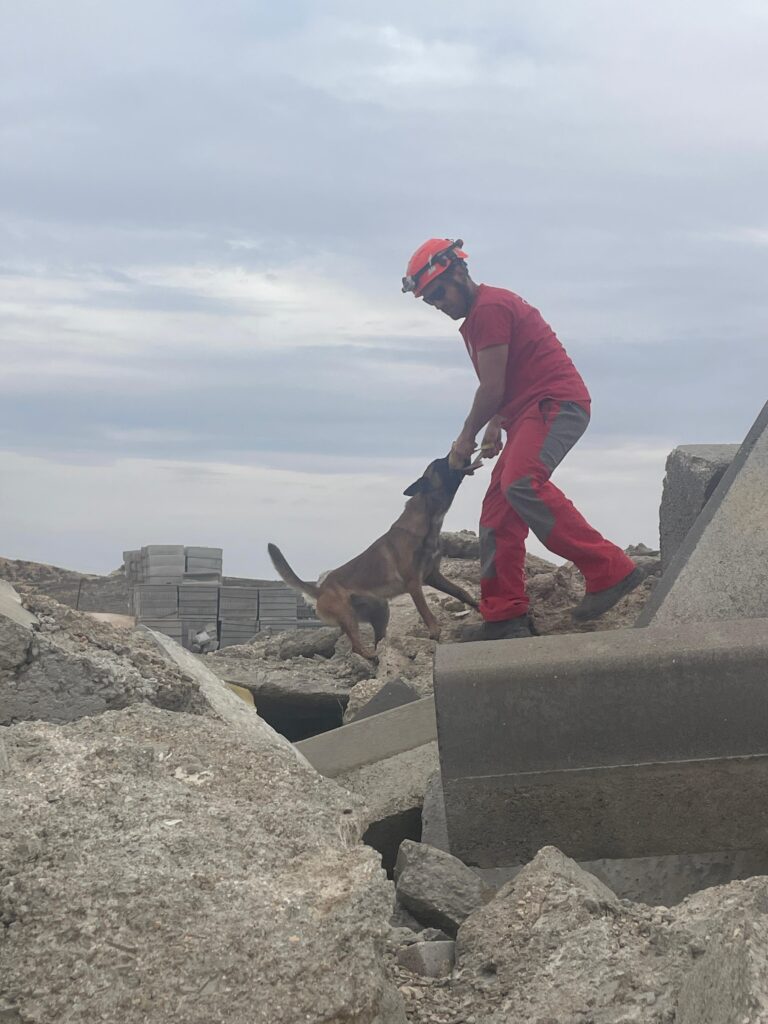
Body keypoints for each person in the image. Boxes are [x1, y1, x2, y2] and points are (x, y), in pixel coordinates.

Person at [402, 237, 643, 640]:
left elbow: (492, 386)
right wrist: (496, 422)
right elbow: (504, 380)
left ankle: (611, 570)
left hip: (556, 404)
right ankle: (504, 617)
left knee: (520, 484)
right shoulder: (477, 319)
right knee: (497, 511)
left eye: (439, 292)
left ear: (459, 272)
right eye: (430, 300)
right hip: (528, 411)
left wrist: (466, 437)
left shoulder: (491, 308)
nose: (438, 304)